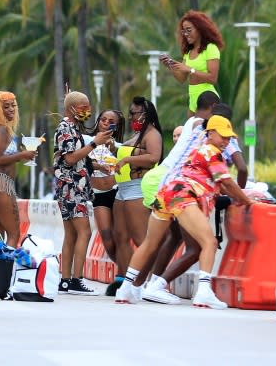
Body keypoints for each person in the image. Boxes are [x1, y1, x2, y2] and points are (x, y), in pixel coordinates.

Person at [115, 116, 253, 309]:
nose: (226, 141)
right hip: (183, 196)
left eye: (229, 138)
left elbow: (219, 184)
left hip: (167, 193)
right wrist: (247, 201)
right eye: (223, 136)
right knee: (209, 242)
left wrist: (237, 195)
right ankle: (204, 292)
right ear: (210, 133)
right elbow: (227, 182)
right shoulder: (211, 151)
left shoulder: (197, 150)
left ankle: (126, 289)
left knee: (150, 242)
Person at [54, 91, 113, 295]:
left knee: (71, 234)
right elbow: (70, 159)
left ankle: (65, 280)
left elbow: (77, 159)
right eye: (83, 107)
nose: (87, 111)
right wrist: (94, 143)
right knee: (84, 232)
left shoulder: (72, 129)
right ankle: (76, 280)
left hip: (71, 185)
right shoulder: (65, 129)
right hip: (72, 187)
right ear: (71, 108)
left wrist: (96, 166)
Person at [111, 96, 164, 286]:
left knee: (141, 239)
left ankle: (149, 281)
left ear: (146, 113)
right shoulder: (139, 135)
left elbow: (153, 157)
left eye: (135, 113)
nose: (132, 116)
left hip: (138, 187)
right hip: (122, 188)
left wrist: (127, 160)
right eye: (130, 113)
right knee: (121, 237)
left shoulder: (152, 134)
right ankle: (125, 280)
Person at [0, 91, 35, 248]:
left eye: (13, 105)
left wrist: (19, 154)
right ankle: (7, 271)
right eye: (6, 107)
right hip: (1, 184)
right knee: (14, 234)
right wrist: (22, 155)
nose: (12, 109)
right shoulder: (0, 129)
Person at [85, 109, 124, 295]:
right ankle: (127, 270)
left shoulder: (120, 146)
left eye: (111, 121)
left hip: (116, 191)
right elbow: (78, 159)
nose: (106, 123)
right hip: (98, 194)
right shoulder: (87, 141)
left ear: (117, 125)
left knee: (120, 236)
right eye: (103, 119)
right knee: (107, 237)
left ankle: (124, 276)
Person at [160, 10, 224, 115]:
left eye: (189, 30)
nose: (186, 34)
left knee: (202, 130)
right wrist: (169, 65)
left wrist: (191, 69)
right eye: (183, 31)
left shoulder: (211, 48)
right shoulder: (188, 52)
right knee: (189, 130)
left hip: (207, 98)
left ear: (199, 28)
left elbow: (213, 78)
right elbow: (182, 79)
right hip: (193, 97)